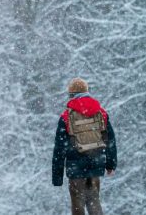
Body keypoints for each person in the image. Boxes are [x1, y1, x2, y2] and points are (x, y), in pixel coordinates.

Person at [52, 78, 117, 215]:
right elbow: (110, 140)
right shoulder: (101, 113)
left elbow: (59, 149)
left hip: (75, 168)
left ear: (71, 94)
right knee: (94, 201)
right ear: (87, 92)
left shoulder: (66, 116)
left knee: (78, 205)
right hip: (96, 165)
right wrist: (110, 165)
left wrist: (57, 177)